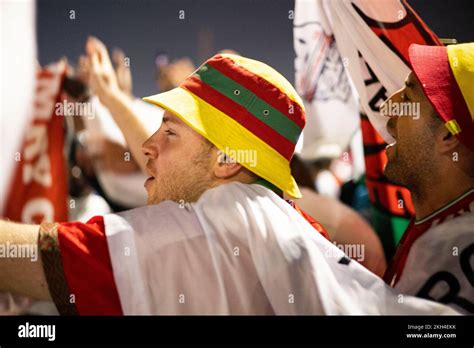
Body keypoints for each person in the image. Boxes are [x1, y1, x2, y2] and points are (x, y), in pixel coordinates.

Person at [0, 38, 456, 315]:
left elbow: (20, 259)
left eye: (171, 131)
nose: (147, 146)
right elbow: (188, 174)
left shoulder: (215, 227)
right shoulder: (279, 220)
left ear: (227, 161)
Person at [382, 43, 474, 314]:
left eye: (408, 100)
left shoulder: (456, 243)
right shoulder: (443, 226)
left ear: (447, 135)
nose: (389, 108)